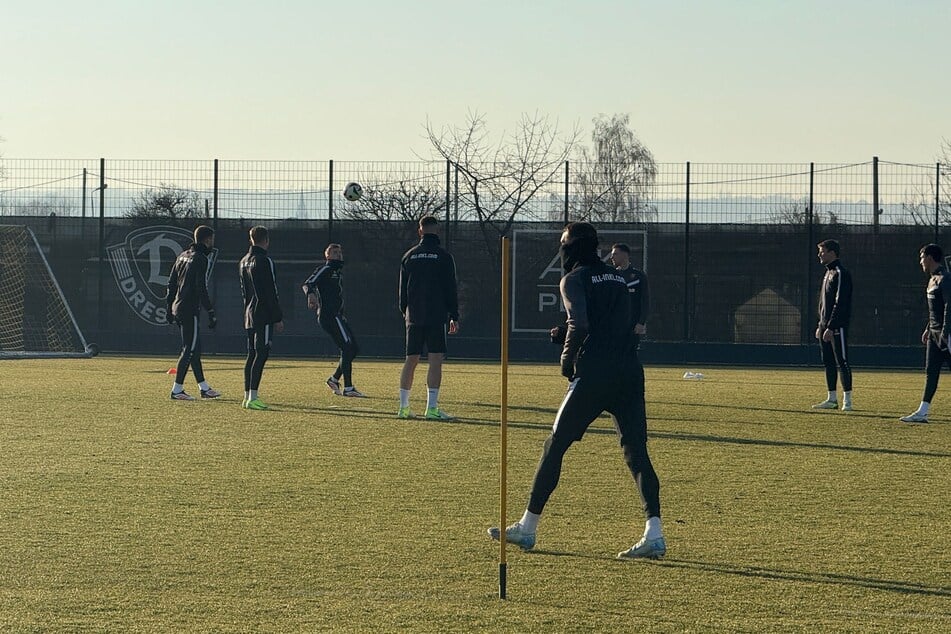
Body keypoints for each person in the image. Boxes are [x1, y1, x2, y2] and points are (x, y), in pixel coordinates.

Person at [489, 222, 666, 559]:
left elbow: (581, 324)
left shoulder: (572, 279)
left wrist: (567, 357)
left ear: (571, 247)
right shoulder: (618, 277)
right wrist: (569, 334)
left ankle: (527, 527)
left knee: (555, 444)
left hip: (594, 374)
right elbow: (615, 325)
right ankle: (654, 532)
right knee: (636, 451)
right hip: (629, 371)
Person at [397, 215, 460, 420]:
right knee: (435, 360)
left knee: (411, 360)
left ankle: (403, 407)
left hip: (413, 315)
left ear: (420, 231)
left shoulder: (409, 256)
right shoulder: (444, 256)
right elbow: (451, 287)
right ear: (437, 231)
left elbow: (402, 291)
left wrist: (404, 311)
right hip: (435, 315)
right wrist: (454, 314)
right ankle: (431, 408)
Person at [302, 243, 366, 397]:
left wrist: (341, 313)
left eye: (340, 252)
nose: (339, 255)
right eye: (335, 252)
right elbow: (308, 283)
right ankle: (349, 388)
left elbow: (336, 296)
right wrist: (310, 295)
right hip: (329, 316)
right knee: (347, 348)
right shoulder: (326, 269)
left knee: (354, 349)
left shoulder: (338, 272)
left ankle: (334, 379)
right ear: (327, 256)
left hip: (337, 316)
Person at [165, 225, 220, 401]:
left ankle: (204, 387)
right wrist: (210, 310)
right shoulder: (201, 258)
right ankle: (177, 390)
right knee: (189, 349)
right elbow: (200, 287)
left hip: (178, 307)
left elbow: (171, 283)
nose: (212, 243)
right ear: (207, 240)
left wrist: (168, 307)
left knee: (195, 349)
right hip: (189, 309)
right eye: (212, 240)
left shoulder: (182, 256)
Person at [901, 243, 951, 424]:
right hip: (934, 335)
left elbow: (948, 306)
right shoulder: (931, 279)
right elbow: (934, 310)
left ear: (930, 257)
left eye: (922, 257)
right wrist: (928, 329)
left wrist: (945, 331)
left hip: (945, 334)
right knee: (931, 372)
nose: (920, 261)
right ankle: (922, 412)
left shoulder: (946, 279)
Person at [239, 226, 284, 410]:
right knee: (262, 353)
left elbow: (244, 291)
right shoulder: (264, 260)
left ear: (251, 239)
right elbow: (271, 291)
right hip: (263, 314)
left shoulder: (243, 261)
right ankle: (253, 398)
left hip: (249, 313)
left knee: (251, 354)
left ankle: (247, 397)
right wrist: (277, 317)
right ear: (266, 240)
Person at [811, 239, 854, 412]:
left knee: (842, 361)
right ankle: (831, 398)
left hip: (837, 326)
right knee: (827, 361)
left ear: (832, 253)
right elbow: (824, 303)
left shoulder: (840, 273)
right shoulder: (827, 273)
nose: (819, 254)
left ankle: (847, 401)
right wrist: (820, 324)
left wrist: (831, 326)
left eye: (822, 251)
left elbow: (840, 302)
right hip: (824, 326)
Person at [609, 242, 651, 348]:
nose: (611, 257)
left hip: (632, 324)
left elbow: (645, 301)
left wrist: (641, 322)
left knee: (630, 354)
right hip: (613, 324)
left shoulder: (639, 276)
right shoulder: (611, 275)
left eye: (615, 254)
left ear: (625, 255)